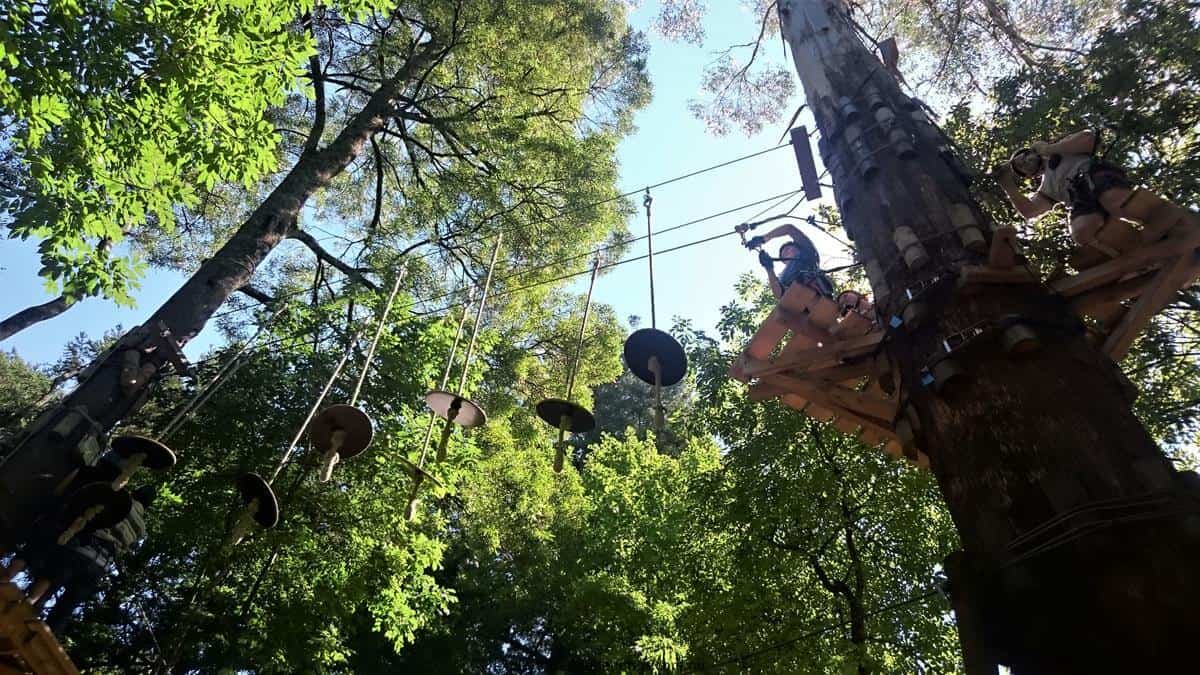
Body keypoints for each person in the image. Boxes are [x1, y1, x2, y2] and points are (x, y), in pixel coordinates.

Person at [993, 129, 1138, 256]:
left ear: (1034, 151)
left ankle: (1151, 216)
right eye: (1021, 167)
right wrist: (1008, 186)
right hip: (1081, 200)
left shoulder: (1062, 150)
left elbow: (1090, 139)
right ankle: (1128, 253)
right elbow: (1030, 211)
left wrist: (1049, 149)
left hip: (1098, 177)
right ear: (1030, 176)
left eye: (1024, 156)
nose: (1023, 163)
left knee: (1112, 198)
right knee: (1081, 231)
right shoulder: (1047, 189)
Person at [40, 485, 156, 632]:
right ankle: (43, 640)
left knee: (48, 584)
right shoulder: (141, 528)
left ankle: (23, 612)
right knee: (66, 608)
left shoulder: (121, 501)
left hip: (84, 549)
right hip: (101, 566)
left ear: (136, 492)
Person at [742, 224, 834, 300]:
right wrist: (769, 268)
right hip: (799, 307)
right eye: (783, 253)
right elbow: (780, 295)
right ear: (782, 261)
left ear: (799, 249)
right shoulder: (784, 276)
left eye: (789, 248)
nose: (786, 251)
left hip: (819, 298)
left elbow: (789, 229)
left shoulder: (808, 254)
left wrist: (764, 238)